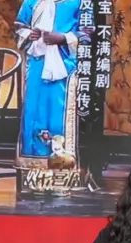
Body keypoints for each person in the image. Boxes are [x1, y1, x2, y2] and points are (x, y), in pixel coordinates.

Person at [12, 0, 86, 174]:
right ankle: (32, 165)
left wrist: (63, 38)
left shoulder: (80, 2)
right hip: (37, 63)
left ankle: (63, 166)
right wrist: (29, 34)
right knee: (34, 110)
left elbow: (88, 32)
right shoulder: (32, 2)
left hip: (67, 65)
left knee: (59, 111)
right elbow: (19, 26)